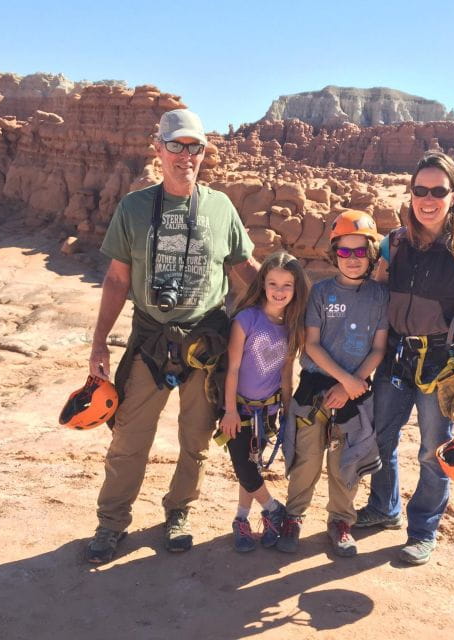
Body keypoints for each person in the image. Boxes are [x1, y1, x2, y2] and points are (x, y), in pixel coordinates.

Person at [85, 109, 259, 564]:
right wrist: (100, 342)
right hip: (150, 340)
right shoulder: (135, 207)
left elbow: (243, 269)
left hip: (206, 342)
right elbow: (118, 279)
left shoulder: (221, 208)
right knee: (128, 438)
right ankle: (111, 523)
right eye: (176, 145)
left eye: (194, 146)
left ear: (205, 152)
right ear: (158, 148)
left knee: (195, 440)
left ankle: (178, 513)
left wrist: (292, 302)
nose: (186, 155)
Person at [354, 151, 454, 566]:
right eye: (420, 190)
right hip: (395, 358)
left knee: (434, 449)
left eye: (438, 191)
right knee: (381, 437)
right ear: (411, 193)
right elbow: (374, 294)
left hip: (442, 364)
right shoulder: (394, 242)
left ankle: (423, 528)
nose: (428, 199)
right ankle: (383, 507)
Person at [277, 210, 388, 557]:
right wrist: (342, 381)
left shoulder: (380, 296)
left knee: (346, 463)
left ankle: (341, 521)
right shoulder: (321, 292)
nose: (352, 259)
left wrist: (351, 386)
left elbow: (379, 348)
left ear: (370, 254)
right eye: (345, 252)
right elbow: (311, 344)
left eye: (359, 252)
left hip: (353, 394)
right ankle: (293, 516)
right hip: (316, 389)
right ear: (334, 252)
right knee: (306, 459)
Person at [217, 251, 310, 552]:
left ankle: (242, 519)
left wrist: (285, 409)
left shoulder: (291, 326)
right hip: (239, 410)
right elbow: (232, 369)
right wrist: (230, 410)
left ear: (296, 289)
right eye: (273, 283)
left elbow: (285, 373)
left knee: (253, 468)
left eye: (287, 285)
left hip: (268, 412)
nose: (279, 291)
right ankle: (273, 509)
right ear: (263, 284)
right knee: (244, 467)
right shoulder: (246, 320)